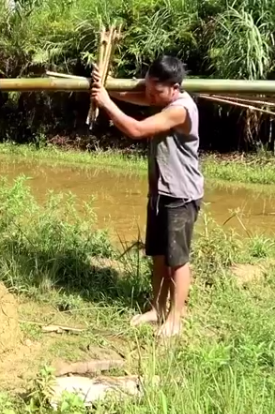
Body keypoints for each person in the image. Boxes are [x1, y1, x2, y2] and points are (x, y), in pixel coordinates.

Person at [90, 55, 203, 338]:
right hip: (160, 192)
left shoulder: (180, 110)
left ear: (174, 88)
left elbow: (137, 129)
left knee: (178, 260)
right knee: (160, 256)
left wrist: (106, 102)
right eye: (149, 90)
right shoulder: (162, 100)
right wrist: (105, 87)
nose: (151, 96)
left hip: (181, 194)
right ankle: (157, 309)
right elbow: (141, 98)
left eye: (157, 92)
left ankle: (176, 320)